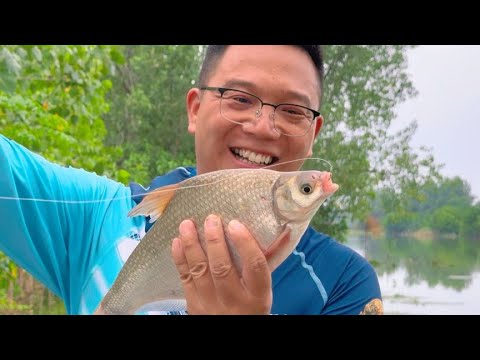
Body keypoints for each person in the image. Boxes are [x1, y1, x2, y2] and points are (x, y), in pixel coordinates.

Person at [0, 45, 383, 315]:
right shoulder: (98, 218)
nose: (264, 126)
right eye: (239, 98)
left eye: (293, 110)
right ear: (195, 109)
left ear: (313, 131)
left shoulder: (343, 284)